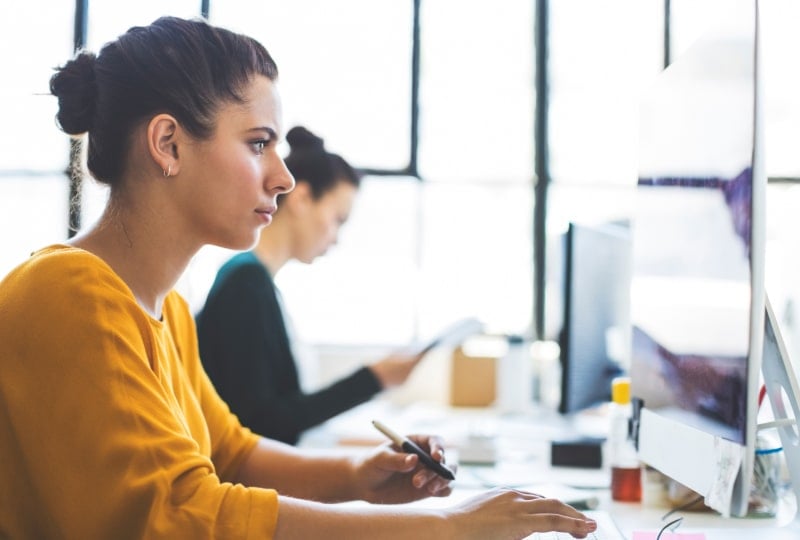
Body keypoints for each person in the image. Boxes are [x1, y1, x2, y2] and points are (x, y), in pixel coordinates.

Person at [0, 16, 597, 539]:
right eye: (258, 144)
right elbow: (179, 516)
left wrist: (357, 478)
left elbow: (230, 453)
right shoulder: (71, 294)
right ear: (168, 144)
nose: (283, 178)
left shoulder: (166, 308)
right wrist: (444, 527)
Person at [196, 125, 426, 445]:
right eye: (337, 220)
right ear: (302, 198)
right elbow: (262, 423)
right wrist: (373, 380)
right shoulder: (246, 283)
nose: (336, 238)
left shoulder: (258, 281)